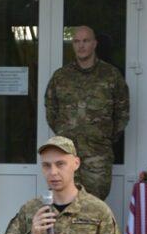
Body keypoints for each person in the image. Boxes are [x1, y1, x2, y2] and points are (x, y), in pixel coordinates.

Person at [45, 26, 129, 200]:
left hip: (97, 155)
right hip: (66, 155)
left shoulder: (111, 76)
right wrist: (66, 134)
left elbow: (122, 112)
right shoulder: (61, 77)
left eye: (86, 41)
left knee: (95, 205)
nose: (81, 46)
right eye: (76, 41)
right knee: (65, 203)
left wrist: (103, 137)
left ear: (95, 44)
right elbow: (51, 111)